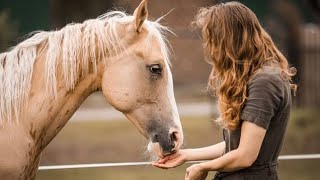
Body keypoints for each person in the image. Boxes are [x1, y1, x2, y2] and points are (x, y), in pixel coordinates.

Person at [152, 2, 297, 180]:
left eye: (212, 39)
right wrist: (186, 155)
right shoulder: (256, 77)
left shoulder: (265, 82)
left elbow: (245, 155)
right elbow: (234, 146)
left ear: (229, 39)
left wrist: (203, 167)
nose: (209, 47)